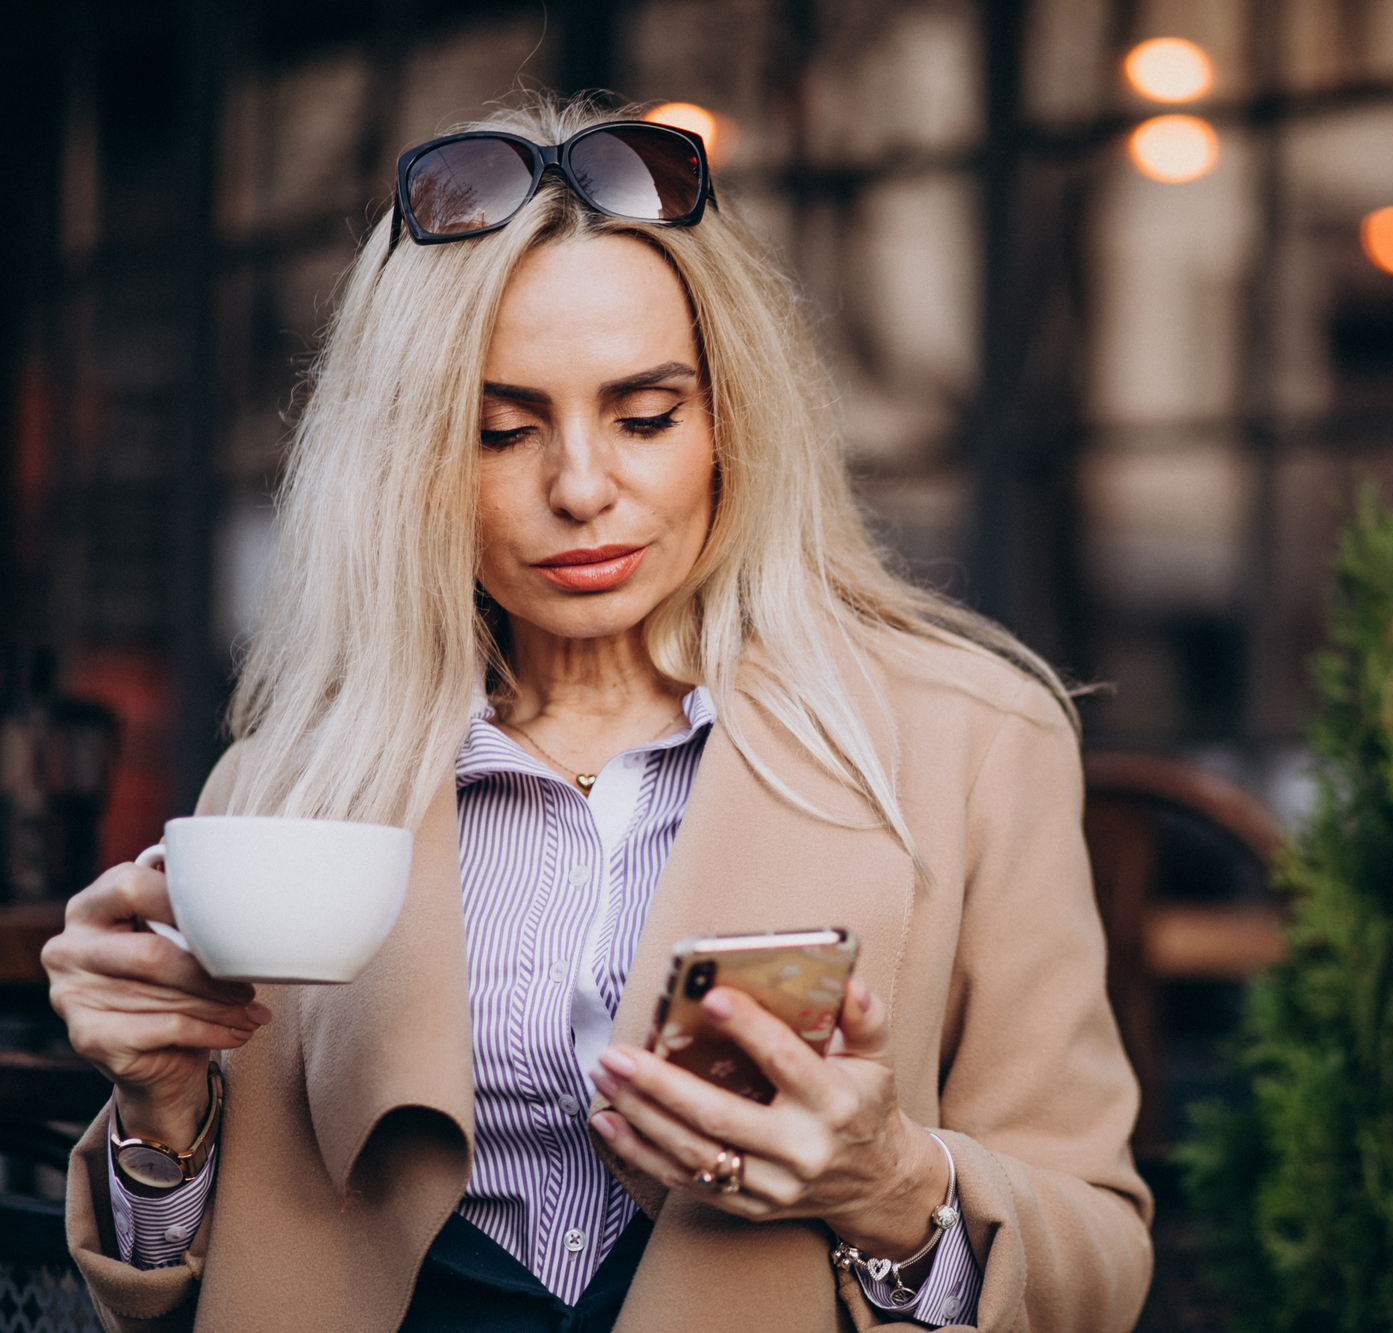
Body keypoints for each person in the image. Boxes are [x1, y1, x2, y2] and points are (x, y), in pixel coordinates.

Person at [44, 96, 1152, 1333]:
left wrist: (889, 1189)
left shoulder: (970, 742)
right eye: (499, 431)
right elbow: (175, 1296)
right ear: (407, 459)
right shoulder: (288, 783)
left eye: (645, 418)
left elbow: (1095, 1254)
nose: (581, 488)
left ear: (731, 420)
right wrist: (159, 1115)